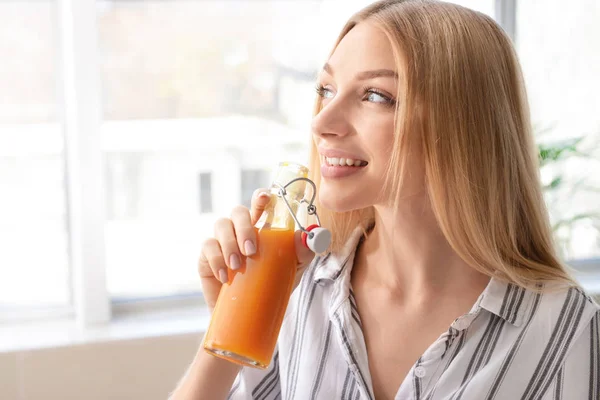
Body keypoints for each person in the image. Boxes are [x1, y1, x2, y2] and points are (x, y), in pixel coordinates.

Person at [170, 1, 600, 399]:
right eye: (325, 89)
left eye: (376, 95)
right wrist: (228, 326)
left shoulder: (565, 328)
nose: (321, 122)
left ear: (461, 124)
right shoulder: (298, 288)